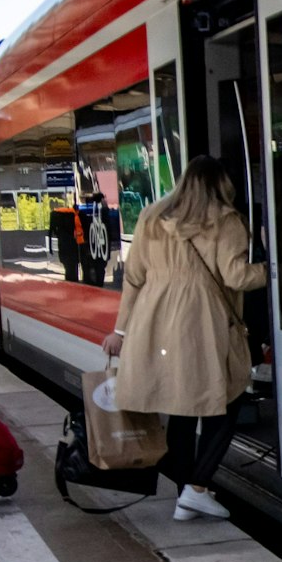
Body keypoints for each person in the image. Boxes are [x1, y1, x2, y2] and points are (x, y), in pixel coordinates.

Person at [101, 155, 268, 522]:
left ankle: (186, 493)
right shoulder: (225, 221)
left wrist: (121, 331)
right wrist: (272, 271)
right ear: (221, 185)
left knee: (180, 405)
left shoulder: (151, 217)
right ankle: (195, 488)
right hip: (201, 321)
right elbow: (236, 277)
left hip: (155, 319)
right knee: (225, 400)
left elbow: (134, 277)